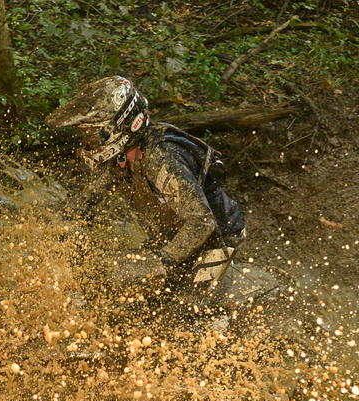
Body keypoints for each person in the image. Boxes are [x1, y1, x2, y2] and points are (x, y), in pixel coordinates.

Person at [47, 75, 246, 296]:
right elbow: (85, 202)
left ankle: (224, 320)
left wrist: (162, 260)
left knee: (188, 311)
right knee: (135, 299)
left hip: (216, 236)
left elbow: (202, 221)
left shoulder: (161, 156)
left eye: (93, 134)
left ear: (119, 126)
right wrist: (50, 227)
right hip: (172, 234)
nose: (88, 141)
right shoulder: (119, 160)